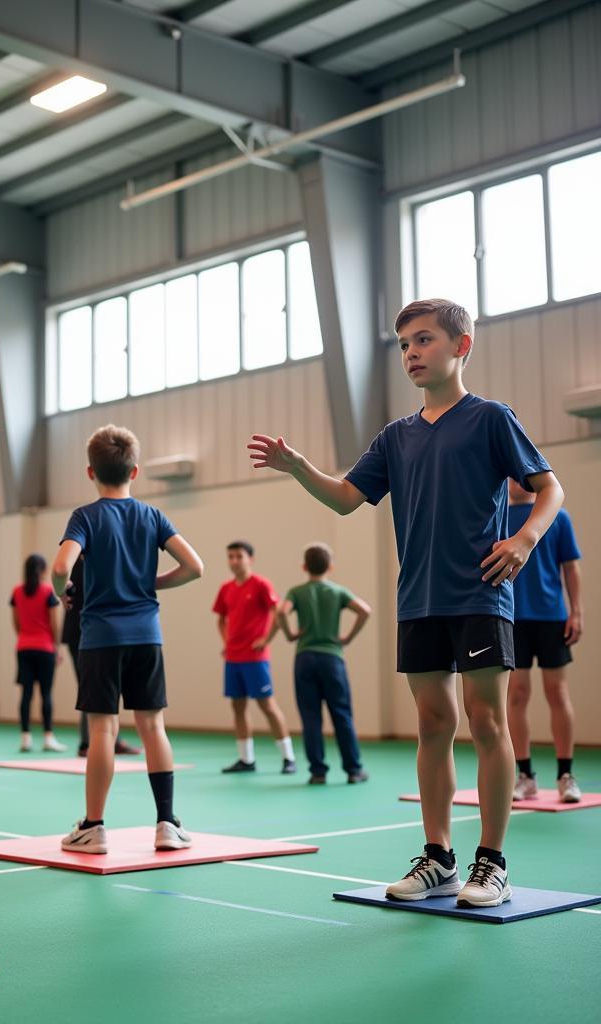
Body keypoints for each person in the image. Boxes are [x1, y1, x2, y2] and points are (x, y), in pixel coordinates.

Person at [249, 297, 563, 909]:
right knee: (432, 724)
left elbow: (549, 487)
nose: (412, 354)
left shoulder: (491, 418)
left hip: (480, 591)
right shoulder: (396, 436)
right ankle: (439, 856)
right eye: (404, 345)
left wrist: (525, 540)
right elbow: (345, 498)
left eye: (424, 340)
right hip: (417, 597)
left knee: (488, 721)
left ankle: (491, 863)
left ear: (461, 346)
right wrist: (297, 467)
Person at [52, 425, 204, 855]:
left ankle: (94, 827)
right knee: (153, 726)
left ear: (90, 472)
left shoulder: (85, 517)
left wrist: (58, 590)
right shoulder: (153, 517)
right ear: (135, 471)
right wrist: (151, 582)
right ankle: (167, 823)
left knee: (103, 728)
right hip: (146, 635)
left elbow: (63, 564)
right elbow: (195, 566)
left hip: (100, 636)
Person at [506, 478, 583, 803]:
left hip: (552, 617)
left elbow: (570, 567)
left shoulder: (557, 516)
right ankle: (525, 775)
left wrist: (575, 611)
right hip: (512, 619)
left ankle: (566, 774)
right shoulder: (499, 515)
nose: (514, 482)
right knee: (517, 695)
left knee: (557, 693)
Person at [278, 542, 370, 785]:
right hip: (332, 658)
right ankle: (353, 769)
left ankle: (318, 771)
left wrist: (290, 634)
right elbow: (364, 610)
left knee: (310, 717)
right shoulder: (338, 591)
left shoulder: (297, 592)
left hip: (305, 657)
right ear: (330, 566)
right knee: (342, 714)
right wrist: (347, 637)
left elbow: (280, 612)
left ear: (304, 566)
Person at [213, 540, 296, 774]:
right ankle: (246, 760)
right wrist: (226, 642)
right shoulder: (226, 588)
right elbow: (221, 619)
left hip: (255, 658)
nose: (234, 561)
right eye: (231, 557)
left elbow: (277, 611)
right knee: (237, 707)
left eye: (239, 556)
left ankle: (288, 758)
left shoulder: (260, 584)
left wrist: (266, 640)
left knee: (267, 705)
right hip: (233, 658)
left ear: (251, 559)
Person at [64, 555, 140, 759]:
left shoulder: (92, 563)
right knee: (91, 689)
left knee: (106, 688)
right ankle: (87, 742)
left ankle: (112, 740)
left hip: (97, 633)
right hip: (83, 635)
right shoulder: (84, 565)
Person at [11, 554, 66, 753]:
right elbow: (54, 624)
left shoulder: (17, 592)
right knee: (46, 694)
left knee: (26, 694)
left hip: (24, 648)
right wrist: (57, 647)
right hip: (45, 649)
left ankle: (26, 737)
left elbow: (16, 623)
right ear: (43, 570)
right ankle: (48, 737)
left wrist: (25, 637)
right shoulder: (47, 592)